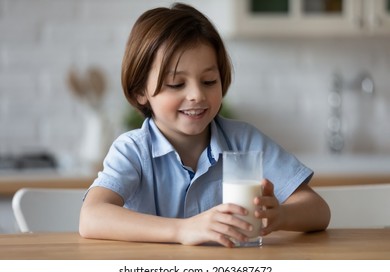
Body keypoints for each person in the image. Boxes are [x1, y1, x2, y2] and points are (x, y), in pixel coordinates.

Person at [79, 2, 330, 248]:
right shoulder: (133, 150)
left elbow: (318, 209)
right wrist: (184, 229)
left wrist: (281, 216)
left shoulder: (245, 141)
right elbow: (91, 217)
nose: (197, 95)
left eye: (209, 81)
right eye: (176, 84)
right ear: (140, 92)